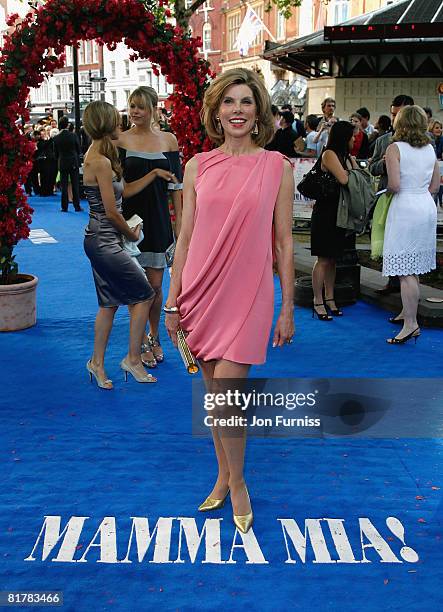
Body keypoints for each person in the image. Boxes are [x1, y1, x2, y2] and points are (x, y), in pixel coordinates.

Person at [164, 68, 295, 533]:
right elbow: (185, 237)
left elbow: (283, 242)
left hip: (250, 292)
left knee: (229, 395)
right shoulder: (198, 164)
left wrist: (288, 306)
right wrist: (173, 299)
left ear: (259, 110)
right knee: (213, 395)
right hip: (200, 289)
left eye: (245, 102)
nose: (237, 110)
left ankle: (236, 482)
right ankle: (223, 474)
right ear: (215, 111)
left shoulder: (278, 167)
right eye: (228, 102)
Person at [82, 101, 177, 387]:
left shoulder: (102, 155)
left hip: (102, 238)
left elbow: (123, 192)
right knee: (145, 294)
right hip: (105, 240)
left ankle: (96, 363)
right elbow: (112, 212)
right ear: (104, 125)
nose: (121, 124)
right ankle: (133, 359)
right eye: (116, 120)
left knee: (109, 304)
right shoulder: (98, 161)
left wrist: (154, 174)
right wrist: (132, 234)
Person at [118, 86, 183, 368]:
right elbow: (119, 189)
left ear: (154, 108)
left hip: (158, 223)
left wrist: (180, 231)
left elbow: (176, 191)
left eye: (141, 106)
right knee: (137, 285)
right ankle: (141, 338)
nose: (135, 111)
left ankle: (155, 335)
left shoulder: (169, 141)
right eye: (132, 106)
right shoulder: (119, 140)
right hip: (130, 224)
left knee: (156, 285)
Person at [383, 106, 440, 344]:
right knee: (412, 268)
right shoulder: (430, 149)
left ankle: (411, 324)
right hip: (426, 206)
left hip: (405, 207)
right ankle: (407, 313)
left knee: (406, 271)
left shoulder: (394, 148)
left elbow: (394, 185)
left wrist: (383, 194)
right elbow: (435, 186)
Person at [311, 121, 358, 321]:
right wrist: (352, 168)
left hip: (339, 213)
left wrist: (352, 164)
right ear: (343, 137)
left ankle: (330, 298)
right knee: (323, 259)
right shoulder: (329, 154)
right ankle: (317, 300)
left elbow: (358, 175)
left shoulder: (345, 157)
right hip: (325, 213)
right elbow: (346, 179)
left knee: (332, 259)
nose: (354, 140)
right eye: (352, 136)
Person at [369, 94, 414, 294]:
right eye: (393, 114)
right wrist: (387, 163)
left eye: (400, 114)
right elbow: (373, 167)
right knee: (388, 239)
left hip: (412, 199)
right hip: (389, 197)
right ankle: (392, 280)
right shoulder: (384, 140)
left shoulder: (425, 141)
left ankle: (408, 284)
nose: (396, 119)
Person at [53, 116, 82, 212]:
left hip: (62, 163)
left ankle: (64, 207)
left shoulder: (56, 138)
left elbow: (55, 153)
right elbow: (78, 150)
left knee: (64, 186)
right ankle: (77, 206)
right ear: (67, 124)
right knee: (75, 185)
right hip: (73, 162)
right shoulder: (73, 136)